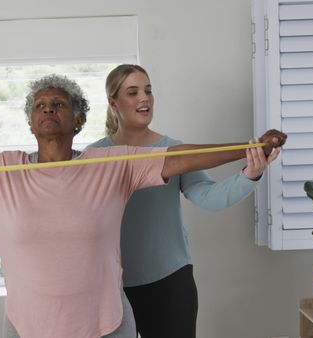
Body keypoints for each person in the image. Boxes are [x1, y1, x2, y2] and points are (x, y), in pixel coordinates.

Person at [0, 74, 286, 338]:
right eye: (39, 104)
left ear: (79, 119)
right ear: (30, 121)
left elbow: (181, 159)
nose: (48, 108)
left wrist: (251, 147)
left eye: (59, 103)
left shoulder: (109, 165)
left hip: (108, 323)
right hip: (28, 327)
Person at [88, 64, 280, 338]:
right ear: (112, 102)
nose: (145, 98)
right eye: (133, 92)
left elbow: (209, 198)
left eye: (148, 91)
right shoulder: (94, 155)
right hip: (110, 286)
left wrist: (251, 173)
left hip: (170, 281)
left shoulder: (174, 150)